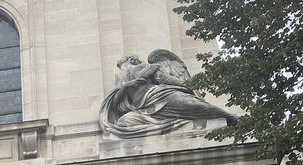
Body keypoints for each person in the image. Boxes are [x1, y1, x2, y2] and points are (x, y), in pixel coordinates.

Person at [98, 50, 239, 137]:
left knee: (192, 104)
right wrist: (125, 87)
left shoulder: (144, 67)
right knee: (124, 121)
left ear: (130, 60)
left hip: (160, 96)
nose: (122, 66)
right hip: (143, 109)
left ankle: (228, 117)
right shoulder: (121, 82)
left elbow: (165, 79)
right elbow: (116, 103)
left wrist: (188, 86)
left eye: (122, 63)